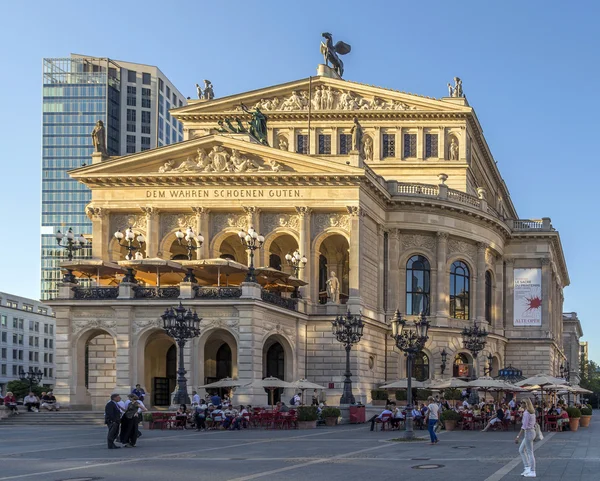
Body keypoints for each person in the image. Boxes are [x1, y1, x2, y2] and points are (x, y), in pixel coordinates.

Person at [516, 398, 537, 477]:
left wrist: (518, 436)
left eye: (522, 402)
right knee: (521, 450)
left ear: (526, 404)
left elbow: (524, 426)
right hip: (532, 431)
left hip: (528, 432)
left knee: (530, 452)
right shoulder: (532, 412)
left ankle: (532, 471)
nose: (521, 404)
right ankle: (527, 467)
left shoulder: (526, 413)